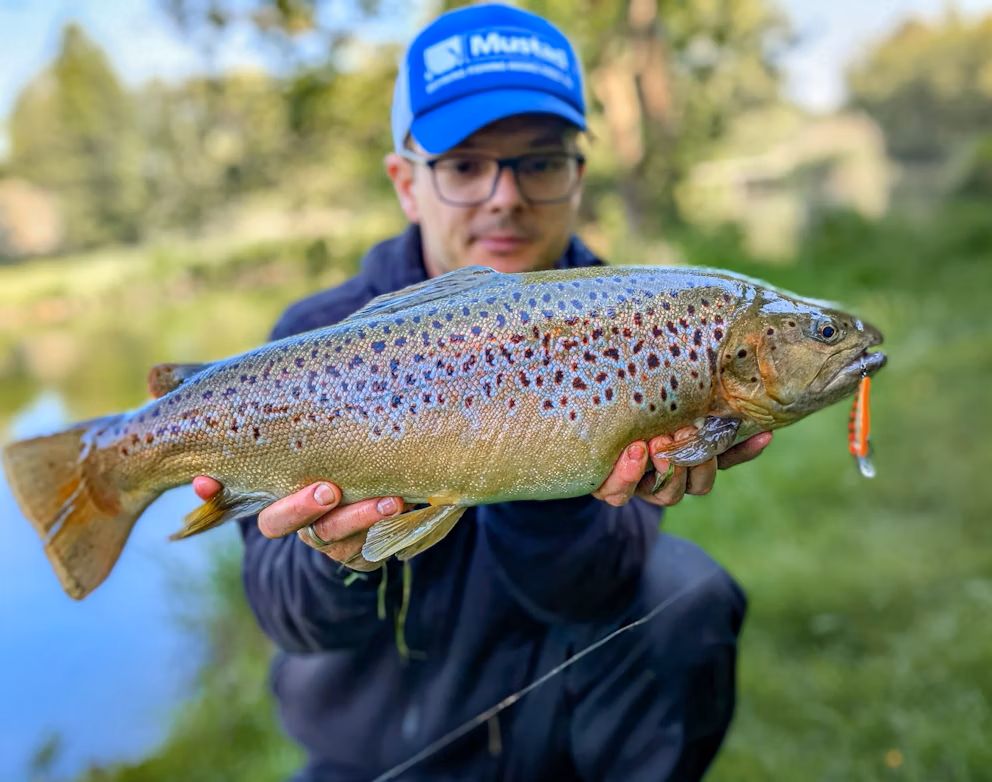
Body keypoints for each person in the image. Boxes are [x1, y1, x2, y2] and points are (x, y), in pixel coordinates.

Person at [194, 5, 771, 780]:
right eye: (465, 166)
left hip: (555, 735)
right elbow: (288, 618)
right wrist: (339, 556)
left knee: (687, 591)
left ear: (577, 177)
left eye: (539, 162)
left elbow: (593, 588)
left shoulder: (648, 329)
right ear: (407, 184)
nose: (505, 196)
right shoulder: (315, 338)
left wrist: (558, 458)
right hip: (373, 752)